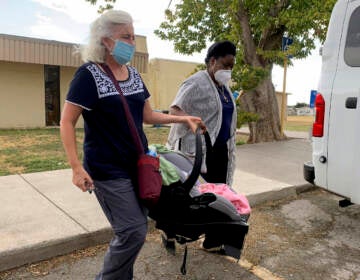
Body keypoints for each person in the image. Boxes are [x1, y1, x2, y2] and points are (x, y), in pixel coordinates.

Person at [59, 10, 204, 280]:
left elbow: (148, 116)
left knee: (133, 231)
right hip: (107, 169)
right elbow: (66, 122)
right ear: (105, 40)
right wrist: (76, 167)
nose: (131, 43)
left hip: (138, 165)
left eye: (133, 37)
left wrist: (182, 118)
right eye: (125, 36)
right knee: (133, 231)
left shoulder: (134, 75)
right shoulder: (88, 75)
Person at [167, 40, 237, 185]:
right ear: (212, 61)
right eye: (225, 65)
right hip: (199, 152)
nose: (228, 70)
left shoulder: (224, 88)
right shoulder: (196, 82)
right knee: (201, 195)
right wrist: (191, 120)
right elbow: (174, 110)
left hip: (221, 151)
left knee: (220, 192)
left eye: (231, 67)